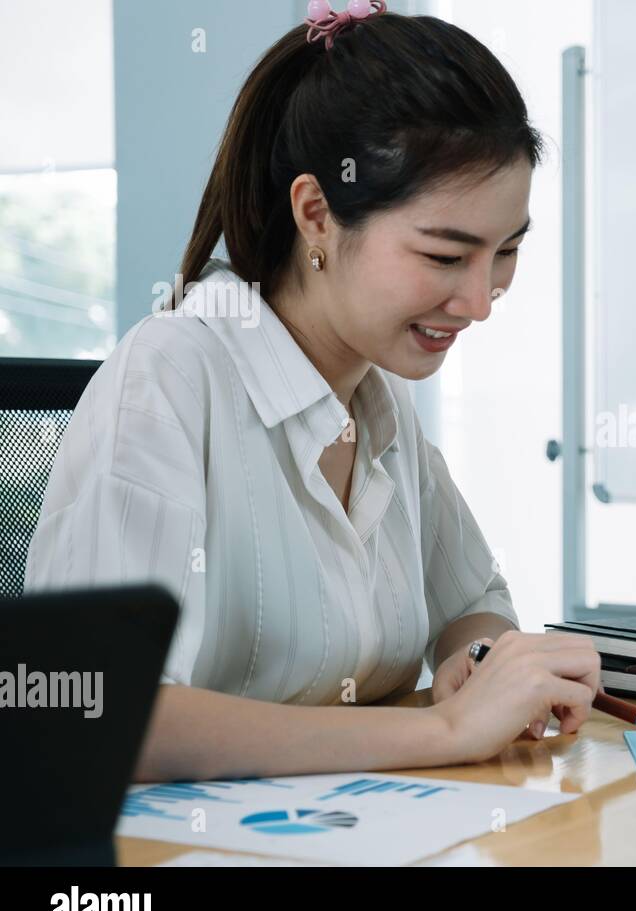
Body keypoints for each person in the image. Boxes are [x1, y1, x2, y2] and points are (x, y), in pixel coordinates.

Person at [24, 2, 601, 781]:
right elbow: (103, 709)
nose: (479, 300)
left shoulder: (376, 396)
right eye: (444, 255)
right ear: (317, 215)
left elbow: (472, 599)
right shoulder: (166, 380)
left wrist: (482, 659)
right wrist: (447, 730)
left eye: (505, 252)